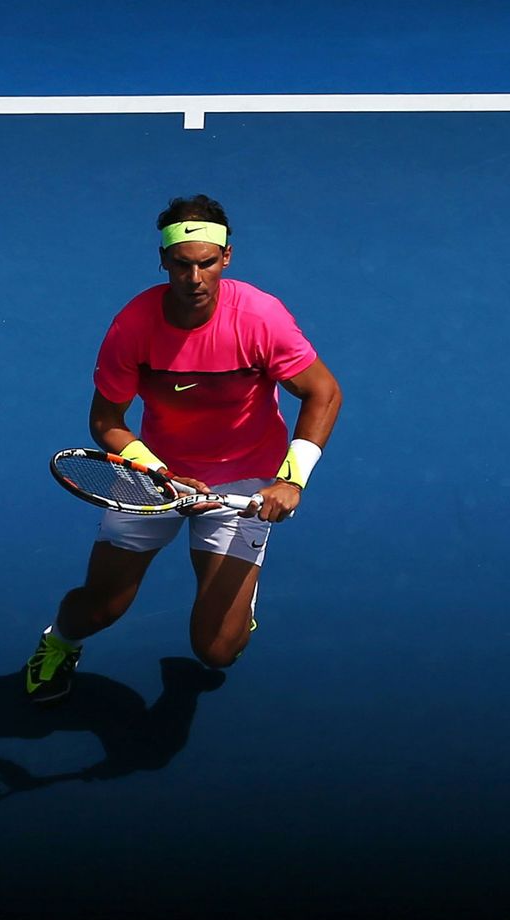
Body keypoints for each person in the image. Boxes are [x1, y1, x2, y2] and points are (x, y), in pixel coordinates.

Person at [25, 194, 342, 703]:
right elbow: (106, 422)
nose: (194, 279)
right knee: (100, 607)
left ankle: (240, 602)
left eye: (207, 264)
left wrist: (291, 478)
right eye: (181, 265)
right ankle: (59, 643)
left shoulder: (262, 317)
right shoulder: (133, 326)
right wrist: (159, 474)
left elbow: (323, 392)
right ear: (163, 259)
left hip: (246, 475)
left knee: (217, 650)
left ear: (226, 258)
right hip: (155, 476)